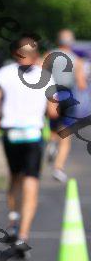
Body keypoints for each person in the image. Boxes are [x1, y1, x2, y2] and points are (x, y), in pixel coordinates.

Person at [0, 36, 58, 258]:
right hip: (32, 133)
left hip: (11, 132)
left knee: (15, 177)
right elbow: (53, 112)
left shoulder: (4, 72)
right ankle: (23, 235)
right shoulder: (45, 76)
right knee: (31, 182)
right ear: (36, 55)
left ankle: (12, 220)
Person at [44, 29, 87, 182]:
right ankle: (58, 168)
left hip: (52, 96)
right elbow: (81, 84)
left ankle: (51, 143)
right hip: (68, 96)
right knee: (66, 133)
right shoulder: (77, 60)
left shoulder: (49, 55)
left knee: (52, 128)